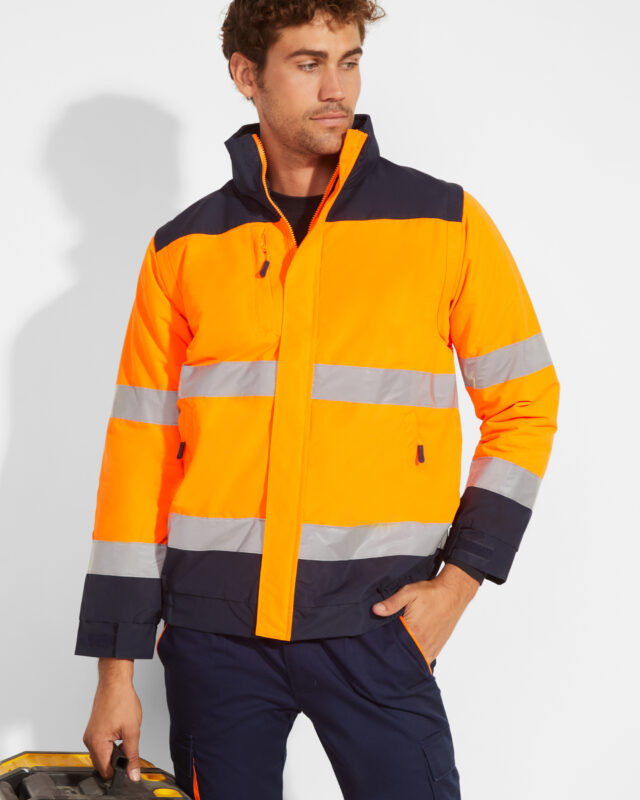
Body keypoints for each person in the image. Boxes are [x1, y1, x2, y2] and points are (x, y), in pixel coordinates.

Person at [75, 2, 560, 798]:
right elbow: (138, 458)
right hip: (214, 638)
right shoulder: (182, 250)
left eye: (349, 60)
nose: (337, 88)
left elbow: (526, 406)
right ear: (246, 75)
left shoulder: (444, 224)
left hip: (379, 626)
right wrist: (114, 671)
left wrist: (459, 584)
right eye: (308, 63)